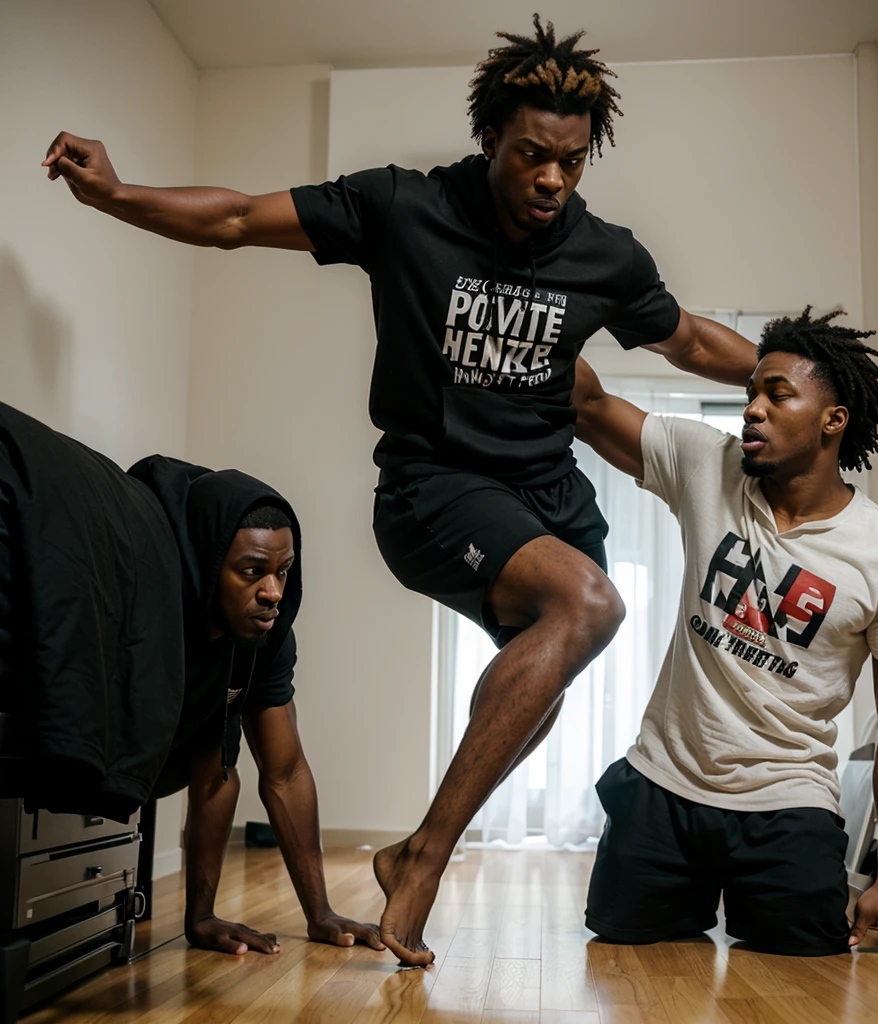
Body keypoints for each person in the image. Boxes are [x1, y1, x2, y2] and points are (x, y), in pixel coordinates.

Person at [42, 16, 757, 964]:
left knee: (529, 698)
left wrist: (812, 375)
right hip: (435, 488)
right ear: (490, 137)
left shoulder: (606, 257)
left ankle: (414, 846)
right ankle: (424, 856)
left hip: (554, 497)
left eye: (573, 164)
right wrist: (117, 195)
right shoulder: (403, 208)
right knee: (590, 603)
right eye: (534, 156)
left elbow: (696, 344)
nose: (553, 181)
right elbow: (234, 219)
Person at [572, 308, 878, 960]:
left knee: (809, 955)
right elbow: (590, 405)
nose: (754, 410)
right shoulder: (707, 465)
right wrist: (537, 289)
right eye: (751, 394)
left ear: (834, 419)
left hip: (787, 801)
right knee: (617, 938)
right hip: (664, 785)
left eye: (778, 394)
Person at [129, 457, 385, 957]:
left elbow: (282, 773)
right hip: (126, 745)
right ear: (208, 565)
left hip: (188, 742)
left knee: (221, 758)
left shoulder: (268, 634)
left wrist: (320, 913)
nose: (272, 592)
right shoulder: (156, 612)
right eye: (251, 572)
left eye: (282, 572)